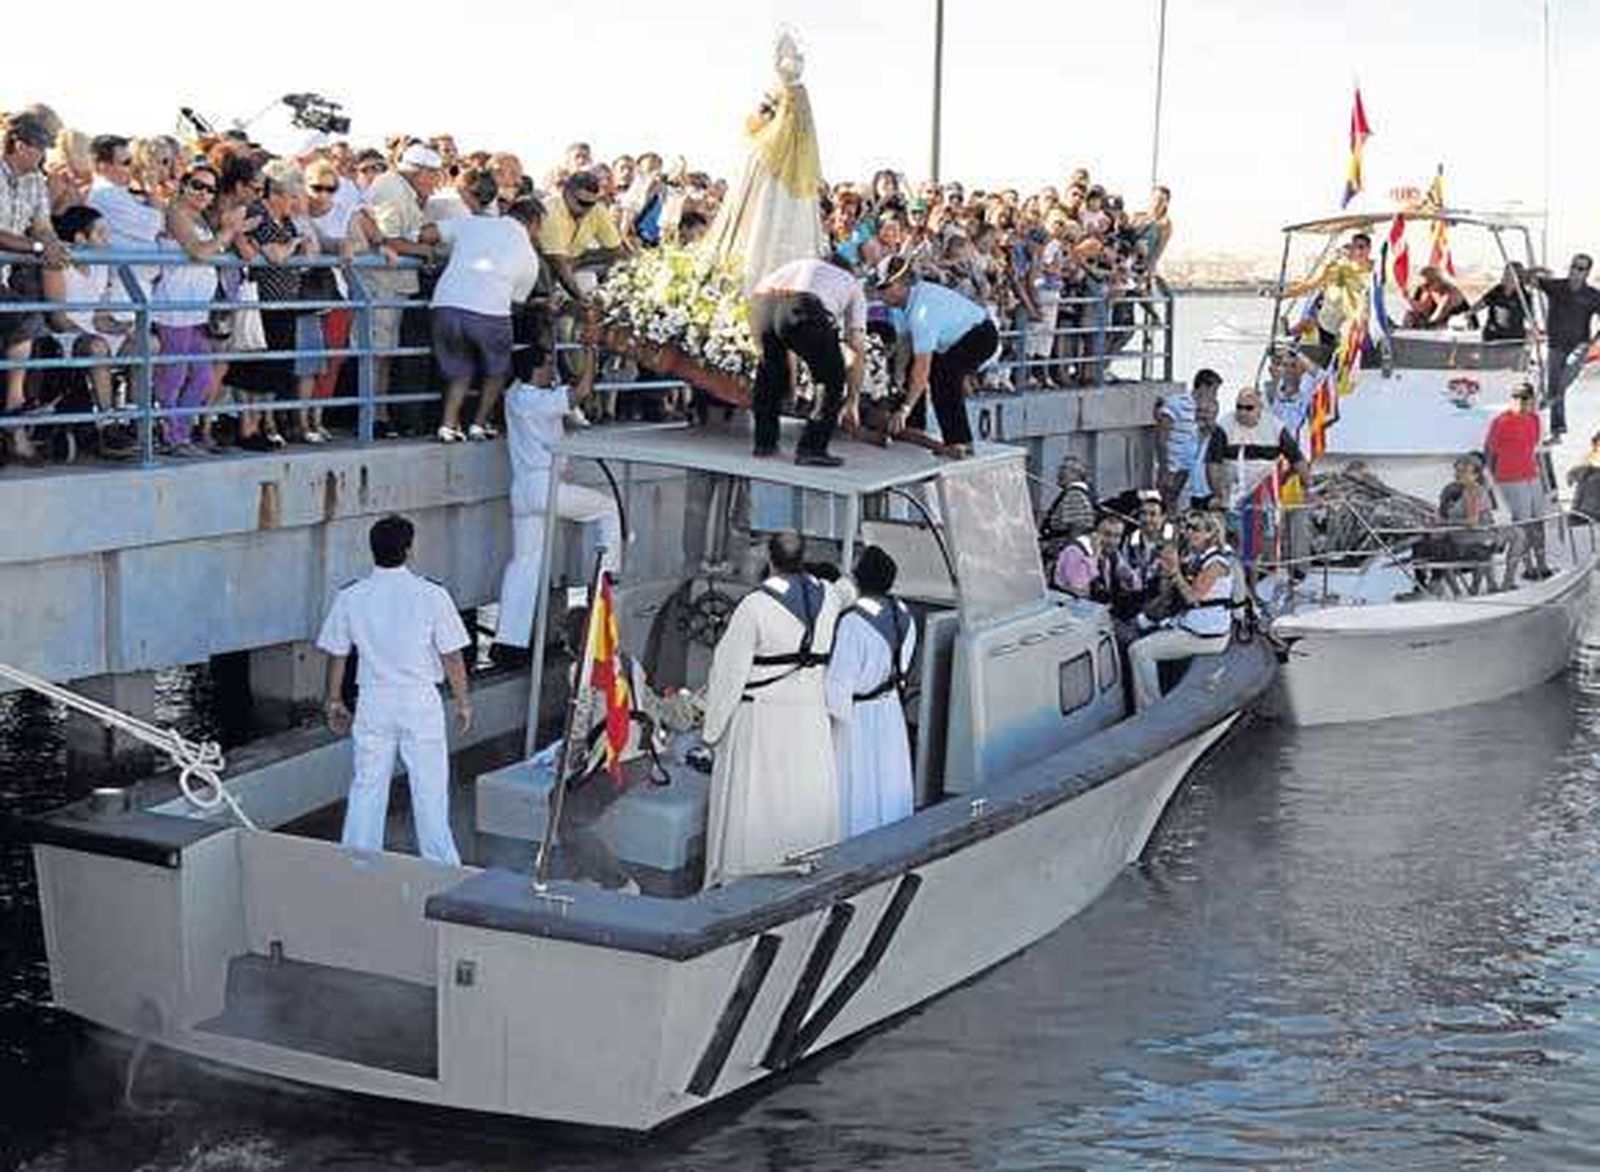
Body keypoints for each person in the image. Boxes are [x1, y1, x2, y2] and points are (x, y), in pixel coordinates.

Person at [316, 515, 472, 865]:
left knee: (367, 786)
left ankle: (358, 864)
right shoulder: (432, 594)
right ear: (409, 550)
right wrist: (463, 702)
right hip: (419, 700)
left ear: (372, 551)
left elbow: (337, 654)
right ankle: (440, 866)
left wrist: (334, 700)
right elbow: (452, 657)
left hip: (374, 698)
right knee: (429, 788)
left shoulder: (351, 596)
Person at [702, 530, 841, 886]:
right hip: (810, 716)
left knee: (759, 798)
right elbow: (848, 587)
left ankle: (744, 873)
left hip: (761, 718)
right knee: (801, 792)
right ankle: (804, 861)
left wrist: (711, 731)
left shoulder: (754, 607)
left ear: (770, 557)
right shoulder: (829, 597)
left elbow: (728, 673)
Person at [490, 344, 623, 667]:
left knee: (524, 566)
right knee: (607, 507)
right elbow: (583, 391)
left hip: (522, 488)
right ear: (536, 369)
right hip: (544, 485)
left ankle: (508, 643)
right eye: (549, 364)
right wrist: (591, 353)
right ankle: (609, 575)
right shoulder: (537, 400)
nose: (553, 370)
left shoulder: (515, 394)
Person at [424, 173, 541, 442]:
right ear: (534, 223)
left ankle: (448, 424)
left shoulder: (474, 223)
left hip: (445, 305)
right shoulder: (529, 254)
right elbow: (516, 306)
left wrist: (422, 251)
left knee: (460, 371)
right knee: (496, 371)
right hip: (489, 313)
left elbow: (428, 233)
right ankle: (479, 423)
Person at [825, 545, 917, 837]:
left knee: (857, 787)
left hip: (858, 717)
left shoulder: (853, 623)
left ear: (858, 579)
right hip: (890, 711)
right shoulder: (903, 614)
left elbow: (837, 686)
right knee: (888, 780)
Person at [748, 255, 867, 465]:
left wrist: (789, 380)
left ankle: (764, 443)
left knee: (770, 374)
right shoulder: (852, 283)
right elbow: (855, 343)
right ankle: (813, 448)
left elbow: (759, 293)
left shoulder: (800, 263)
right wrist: (853, 399)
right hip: (805, 307)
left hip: (765, 304)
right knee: (831, 378)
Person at [877, 255, 998, 458]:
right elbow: (904, 348)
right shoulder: (899, 307)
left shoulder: (922, 313)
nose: (879, 294)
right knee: (912, 369)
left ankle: (960, 441)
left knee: (943, 376)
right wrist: (897, 378)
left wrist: (905, 407)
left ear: (901, 285)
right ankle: (914, 426)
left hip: (981, 336)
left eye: (884, 288)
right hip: (954, 338)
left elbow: (922, 368)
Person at [1127, 510, 1234, 711]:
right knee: (1141, 631)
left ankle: (1150, 709)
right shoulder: (1196, 558)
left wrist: (1175, 571)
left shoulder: (1217, 564)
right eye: (1187, 527)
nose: (1188, 532)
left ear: (1210, 534)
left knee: (1139, 651)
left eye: (1195, 529)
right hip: (1189, 626)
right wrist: (1167, 573)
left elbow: (1193, 597)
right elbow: (1171, 593)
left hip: (1206, 637)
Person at [1205, 385, 1309, 560]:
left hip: (1265, 497)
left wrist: (1308, 488)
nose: (1242, 412)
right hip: (1233, 497)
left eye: (1248, 408)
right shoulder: (1224, 426)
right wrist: (1218, 494)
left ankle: (1266, 570)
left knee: (1262, 543)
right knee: (1238, 544)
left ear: (1259, 408)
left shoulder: (1275, 427)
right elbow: (1212, 465)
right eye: (1239, 407)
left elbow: (1297, 459)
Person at [1483, 382, 1551, 581]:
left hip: (1532, 474)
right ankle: (1529, 567)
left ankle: (1542, 564)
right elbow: (1489, 451)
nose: (1522, 402)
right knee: (1524, 524)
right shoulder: (1501, 421)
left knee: (1539, 521)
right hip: (1510, 477)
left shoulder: (1534, 419)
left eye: (1526, 398)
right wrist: (1489, 480)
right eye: (1518, 398)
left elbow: (1533, 447)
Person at [1534, 253, 1600, 440]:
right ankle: (1557, 431)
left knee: (1561, 385)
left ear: (1587, 273)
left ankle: (1546, 402)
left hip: (1579, 347)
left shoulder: (1593, 295)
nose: (1575, 271)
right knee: (1554, 387)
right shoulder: (1556, 286)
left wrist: (1595, 341)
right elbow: (1528, 280)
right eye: (1573, 266)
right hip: (1555, 346)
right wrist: (1536, 271)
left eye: (1581, 268)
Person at [1154, 368, 1214, 509]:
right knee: (1168, 507)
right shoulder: (1177, 403)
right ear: (1204, 387)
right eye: (1213, 390)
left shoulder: (1203, 409)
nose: (1214, 395)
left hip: (1188, 470)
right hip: (1172, 468)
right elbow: (1161, 438)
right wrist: (1164, 470)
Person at [1471, 263, 1529, 344]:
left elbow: (1530, 317)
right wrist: (1470, 313)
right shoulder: (1497, 290)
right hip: (1493, 336)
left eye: (1509, 274)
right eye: (1505, 274)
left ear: (1518, 277)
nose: (1506, 277)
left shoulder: (1524, 295)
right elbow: (1482, 303)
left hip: (1513, 338)